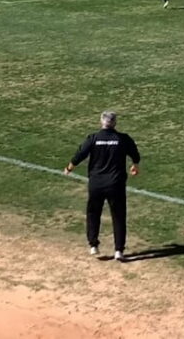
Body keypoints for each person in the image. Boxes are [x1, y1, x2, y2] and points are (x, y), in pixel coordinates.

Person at [64, 111, 140, 261]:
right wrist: (135, 165)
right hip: (116, 184)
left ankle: (93, 245)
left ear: (101, 122)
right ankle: (119, 250)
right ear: (115, 123)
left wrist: (69, 167)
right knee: (118, 216)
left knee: (93, 213)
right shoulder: (123, 139)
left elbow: (80, 154)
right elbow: (135, 154)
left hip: (96, 184)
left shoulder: (93, 138)